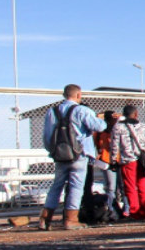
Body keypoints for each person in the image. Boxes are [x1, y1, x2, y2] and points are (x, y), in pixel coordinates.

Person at [41, 85, 107, 230]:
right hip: (79, 154)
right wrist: (100, 118)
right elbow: (99, 127)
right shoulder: (82, 110)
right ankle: (71, 219)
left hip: (59, 155)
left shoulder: (52, 112)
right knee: (76, 187)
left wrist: (53, 151)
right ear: (78, 95)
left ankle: (45, 219)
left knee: (56, 186)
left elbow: (47, 136)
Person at [110, 104, 145, 219]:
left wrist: (113, 160)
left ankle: (135, 211)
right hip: (142, 159)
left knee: (130, 186)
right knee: (142, 184)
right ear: (136, 114)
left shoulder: (118, 127)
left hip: (127, 159)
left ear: (123, 114)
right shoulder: (143, 126)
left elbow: (114, 145)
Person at [91, 110, 120, 219]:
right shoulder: (100, 131)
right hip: (107, 161)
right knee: (111, 188)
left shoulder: (118, 129)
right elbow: (96, 144)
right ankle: (111, 211)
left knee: (120, 188)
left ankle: (117, 210)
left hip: (119, 161)